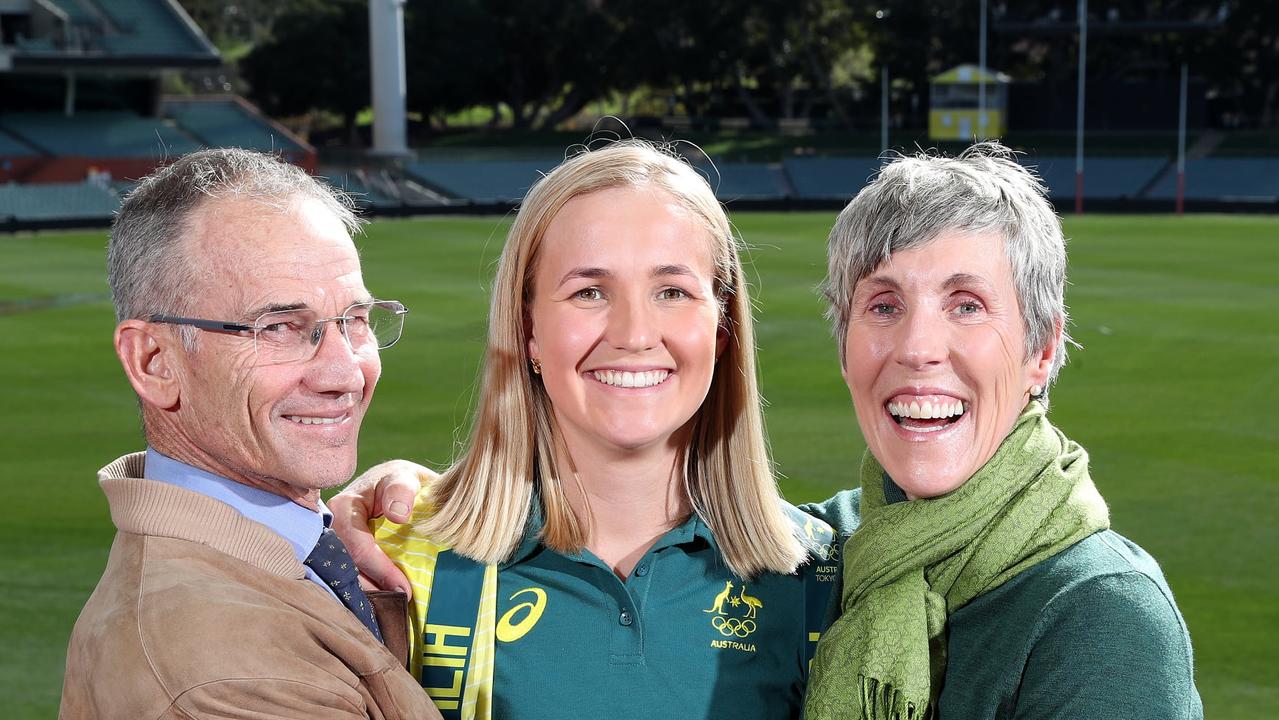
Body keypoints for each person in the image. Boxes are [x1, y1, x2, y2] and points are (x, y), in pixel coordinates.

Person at [330, 140, 859, 720]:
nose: (634, 333)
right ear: (527, 329)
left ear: (723, 326)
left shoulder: (823, 575)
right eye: (589, 292)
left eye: (672, 292)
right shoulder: (394, 565)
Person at [803, 143, 1202, 719]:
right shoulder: (809, 553)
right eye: (884, 306)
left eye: (966, 306)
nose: (918, 349)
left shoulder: (1102, 612)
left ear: (1040, 349)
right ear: (844, 349)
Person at [59, 148, 442, 720]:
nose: (344, 374)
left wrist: (435, 503)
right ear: (154, 361)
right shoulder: (222, 677)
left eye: (355, 320)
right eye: (281, 328)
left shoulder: (300, 549)